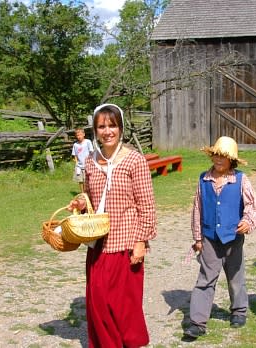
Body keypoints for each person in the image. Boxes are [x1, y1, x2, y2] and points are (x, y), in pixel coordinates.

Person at [68, 104, 157, 348]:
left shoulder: (134, 161)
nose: (107, 131)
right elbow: (89, 197)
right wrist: (80, 203)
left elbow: (146, 205)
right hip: (98, 244)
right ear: (95, 130)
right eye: (102, 126)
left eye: (112, 125)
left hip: (126, 244)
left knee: (124, 305)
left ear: (120, 127)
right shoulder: (89, 161)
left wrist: (140, 242)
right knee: (98, 302)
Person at [184, 136, 256, 339]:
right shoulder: (203, 179)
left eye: (223, 157)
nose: (218, 160)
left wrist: (248, 222)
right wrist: (198, 237)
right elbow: (197, 209)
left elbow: (253, 206)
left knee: (236, 277)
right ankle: (197, 322)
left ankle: (239, 311)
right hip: (209, 237)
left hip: (233, 238)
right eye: (216, 155)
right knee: (206, 278)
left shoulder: (240, 180)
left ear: (232, 160)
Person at [71, 128, 94, 192]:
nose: (79, 136)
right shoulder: (75, 145)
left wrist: (91, 162)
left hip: (87, 165)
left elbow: (91, 152)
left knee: (87, 180)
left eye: (80, 135)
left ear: (84, 134)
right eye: (77, 135)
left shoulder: (88, 142)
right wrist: (76, 163)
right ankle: (82, 193)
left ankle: (89, 192)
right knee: (80, 180)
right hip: (79, 166)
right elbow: (74, 155)